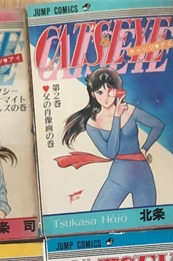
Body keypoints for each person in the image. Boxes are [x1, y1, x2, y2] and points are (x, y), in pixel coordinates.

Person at [56, 68, 165, 210]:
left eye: (110, 91)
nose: (105, 98)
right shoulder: (92, 123)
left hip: (142, 174)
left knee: (148, 218)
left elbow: (158, 125)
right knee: (98, 216)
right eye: (99, 92)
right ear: (93, 94)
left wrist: (145, 148)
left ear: (118, 91)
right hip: (118, 175)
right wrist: (116, 117)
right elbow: (111, 153)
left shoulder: (129, 110)